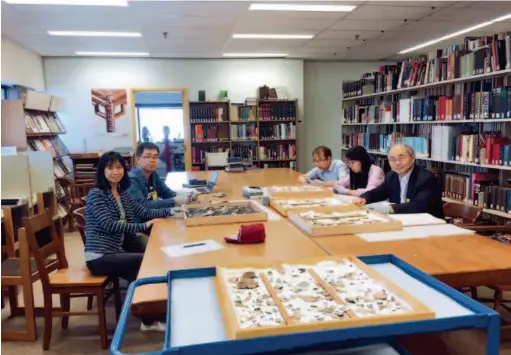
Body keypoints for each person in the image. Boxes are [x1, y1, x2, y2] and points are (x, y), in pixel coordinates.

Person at [84, 151, 173, 332]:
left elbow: (144, 212)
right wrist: (142, 225)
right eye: (110, 168)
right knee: (146, 261)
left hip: (116, 250)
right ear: (102, 171)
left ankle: (149, 318)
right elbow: (109, 225)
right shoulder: (96, 194)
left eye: (119, 167)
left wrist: (171, 212)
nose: (115, 172)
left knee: (143, 267)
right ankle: (151, 316)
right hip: (100, 257)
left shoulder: (121, 193)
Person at [353, 144, 444, 219]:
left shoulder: (426, 178)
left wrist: (390, 208)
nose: (397, 163)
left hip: (428, 224)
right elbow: (379, 192)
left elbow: (420, 206)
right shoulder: (392, 175)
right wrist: (364, 198)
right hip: (403, 220)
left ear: (413, 158)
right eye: (392, 159)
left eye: (401, 158)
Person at [128, 142, 191, 212]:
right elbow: (143, 206)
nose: (152, 160)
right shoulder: (132, 179)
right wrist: (174, 200)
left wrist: (181, 195)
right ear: (138, 160)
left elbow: (166, 192)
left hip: (154, 215)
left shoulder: (153, 174)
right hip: (139, 221)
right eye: (148, 157)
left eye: (155, 157)